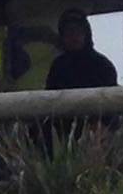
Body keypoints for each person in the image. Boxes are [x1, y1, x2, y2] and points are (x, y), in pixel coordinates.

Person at [38, 8, 118, 152]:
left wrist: (102, 129)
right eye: (68, 32)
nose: (73, 36)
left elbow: (112, 107)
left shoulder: (103, 66)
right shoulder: (58, 66)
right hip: (61, 137)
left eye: (78, 31)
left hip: (94, 137)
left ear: (86, 33)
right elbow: (49, 101)